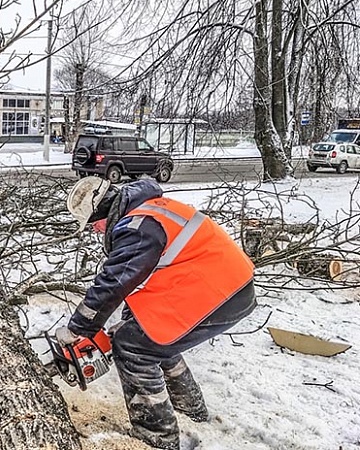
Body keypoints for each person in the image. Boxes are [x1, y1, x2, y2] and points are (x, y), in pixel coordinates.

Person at [56, 176, 256, 450]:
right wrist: (128, 321)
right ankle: (191, 411)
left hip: (217, 291)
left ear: (101, 211)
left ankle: (157, 439)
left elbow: (115, 282)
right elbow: (143, 279)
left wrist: (80, 327)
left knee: (132, 347)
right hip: (227, 286)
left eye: (93, 224)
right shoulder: (149, 210)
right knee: (151, 336)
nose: (95, 231)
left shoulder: (138, 226)